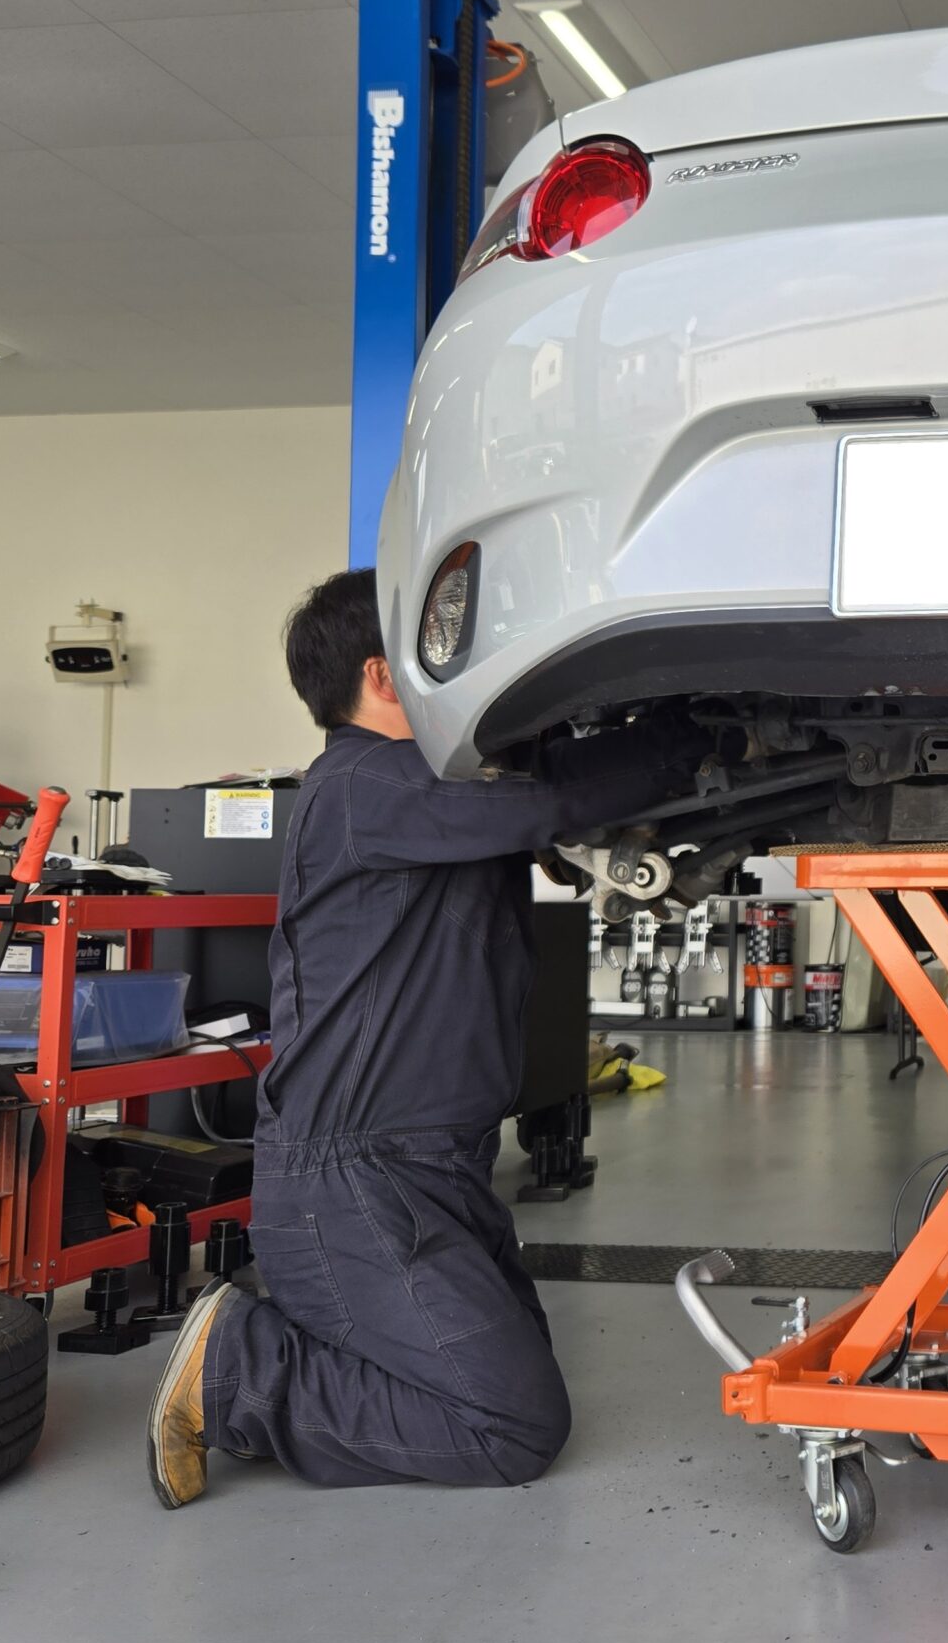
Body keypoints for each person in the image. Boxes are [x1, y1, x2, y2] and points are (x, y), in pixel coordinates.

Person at [146, 568, 670, 1507]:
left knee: (508, 1370)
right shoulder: (367, 781)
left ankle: (302, 1349)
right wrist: (707, 741)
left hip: (424, 1166)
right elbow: (551, 801)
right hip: (356, 1179)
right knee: (513, 1427)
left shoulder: (409, 791)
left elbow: (535, 807)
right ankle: (238, 1370)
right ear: (386, 676)